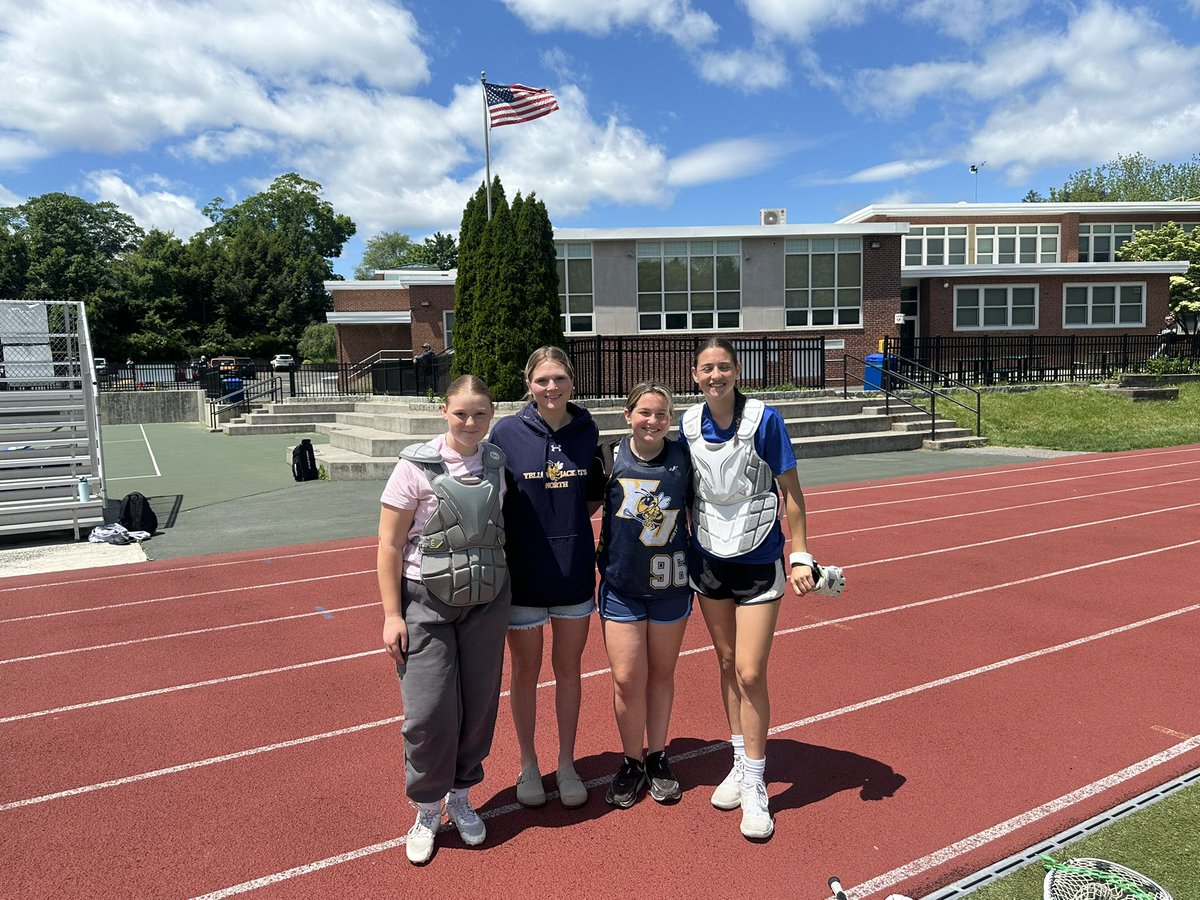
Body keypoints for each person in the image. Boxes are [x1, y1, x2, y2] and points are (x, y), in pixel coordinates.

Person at [682, 337, 822, 841]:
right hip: (709, 561)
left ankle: (758, 783)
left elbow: (793, 496)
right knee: (724, 662)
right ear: (695, 375)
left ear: (737, 371)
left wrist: (801, 554)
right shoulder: (687, 424)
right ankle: (739, 762)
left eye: (723, 367)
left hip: (760, 558)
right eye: (706, 369)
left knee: (749, 668)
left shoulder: (766, 420)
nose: (715, 375)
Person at [377, 374, 512, 865]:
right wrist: (393, 614)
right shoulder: (414, 466)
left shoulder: (498, 463)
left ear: (491, 414)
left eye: (480, 413)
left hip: (487, 601)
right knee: (430, 712)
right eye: (461, 413)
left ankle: (461, 792)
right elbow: (390, 545)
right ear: (444, 411)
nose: (471, 422)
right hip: (423, 601)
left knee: (478, 708)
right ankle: (427, 806)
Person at [490, 345, 604, 809]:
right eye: (543, 380)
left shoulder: (586, 430)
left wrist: (566, 530)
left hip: (574, 575)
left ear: (572, 381)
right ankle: (529, 763)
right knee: (525, 672)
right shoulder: (505, 432)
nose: (551, 387)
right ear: (528, 383)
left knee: (569, 670)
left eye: (559, 379)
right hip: (524, 578)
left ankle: (566, 762)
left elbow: (592, 497)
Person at [596, 382, 693, 808]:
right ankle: (631, 760)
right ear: (627, 414)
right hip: (621, 587)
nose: (653, 420)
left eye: (661, 414)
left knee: (661, 675)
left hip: (670, 587)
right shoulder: (607, 457)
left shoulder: (684, 459)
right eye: (645, 412)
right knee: (626, 679)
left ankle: (657, 756)